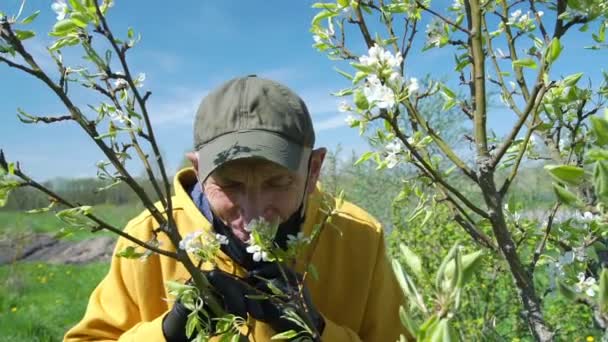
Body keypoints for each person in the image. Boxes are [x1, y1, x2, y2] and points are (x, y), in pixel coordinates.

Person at [64, 75, 411, 341]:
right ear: (199, 171)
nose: (254, 212)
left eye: (277, 182)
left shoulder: (357, 236)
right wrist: (168, 333)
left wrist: (317, 330)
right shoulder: (150, 237)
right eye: (230, 185)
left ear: (314, 168)